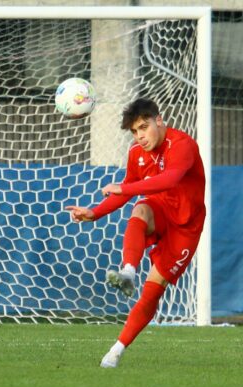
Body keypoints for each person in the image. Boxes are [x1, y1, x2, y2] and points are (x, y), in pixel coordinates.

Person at [66, 98, 206, 368]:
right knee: (140, 210)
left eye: (144, 127)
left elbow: (170, 179)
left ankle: (117, 350)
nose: (140, 136)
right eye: (134, 131)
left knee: (152, 292)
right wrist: (94, 212)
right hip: (160, 209)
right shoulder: (136, 153)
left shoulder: (182, 144)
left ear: (159, 121)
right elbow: (126, 190)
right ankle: (128, 272)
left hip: (186, 225)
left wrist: (125, 189)